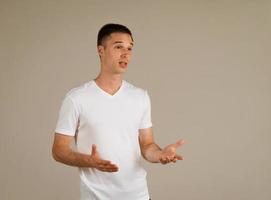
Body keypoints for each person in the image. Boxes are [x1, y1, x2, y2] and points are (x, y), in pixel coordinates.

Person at [52, 23, 185, 200]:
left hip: (138, 195)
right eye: (118, 47)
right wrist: (88, 161)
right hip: (96, 196)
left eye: (130, 48)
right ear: (101, 50)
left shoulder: (140, 96)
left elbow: (147, 145)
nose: (126, 54)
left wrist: (161, 155)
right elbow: (58, 150)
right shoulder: (77, 98)